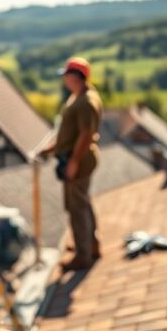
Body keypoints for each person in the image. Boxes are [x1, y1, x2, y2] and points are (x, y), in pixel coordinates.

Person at [42, 57, 103, 271]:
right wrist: (51, 149)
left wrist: (74, 162)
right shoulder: (80, 96)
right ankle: (89, 245)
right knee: (82, 204)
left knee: (77, 208)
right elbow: (72, 132)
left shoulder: (85, 102)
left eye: (66, 75)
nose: (64, 80)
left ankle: (83, 255)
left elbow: (86, 135)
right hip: (76, 159)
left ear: (75, 76)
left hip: (78, 161)